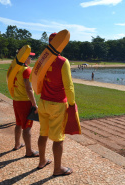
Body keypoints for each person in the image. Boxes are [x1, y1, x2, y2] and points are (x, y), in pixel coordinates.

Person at [37, 32, 75, 176]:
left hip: (43, 102)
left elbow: (37, 79)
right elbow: (69, 86)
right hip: (58, 104)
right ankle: (57, 169)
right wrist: (72, 103)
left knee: (43, 133)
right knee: (58, 138)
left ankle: (42, 161)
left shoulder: (42, 60)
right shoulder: (62, 61)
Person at [12, 51, 39, 157]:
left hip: (16, 100)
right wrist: (34, 104)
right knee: (27, 127)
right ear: (25, 58)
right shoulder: (26, 70)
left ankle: (17, 144)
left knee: (18, 123)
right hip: (24, 102)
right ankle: (29, 151)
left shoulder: (15, 69)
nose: (31, 59)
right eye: (30, 57)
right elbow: (29, 89)